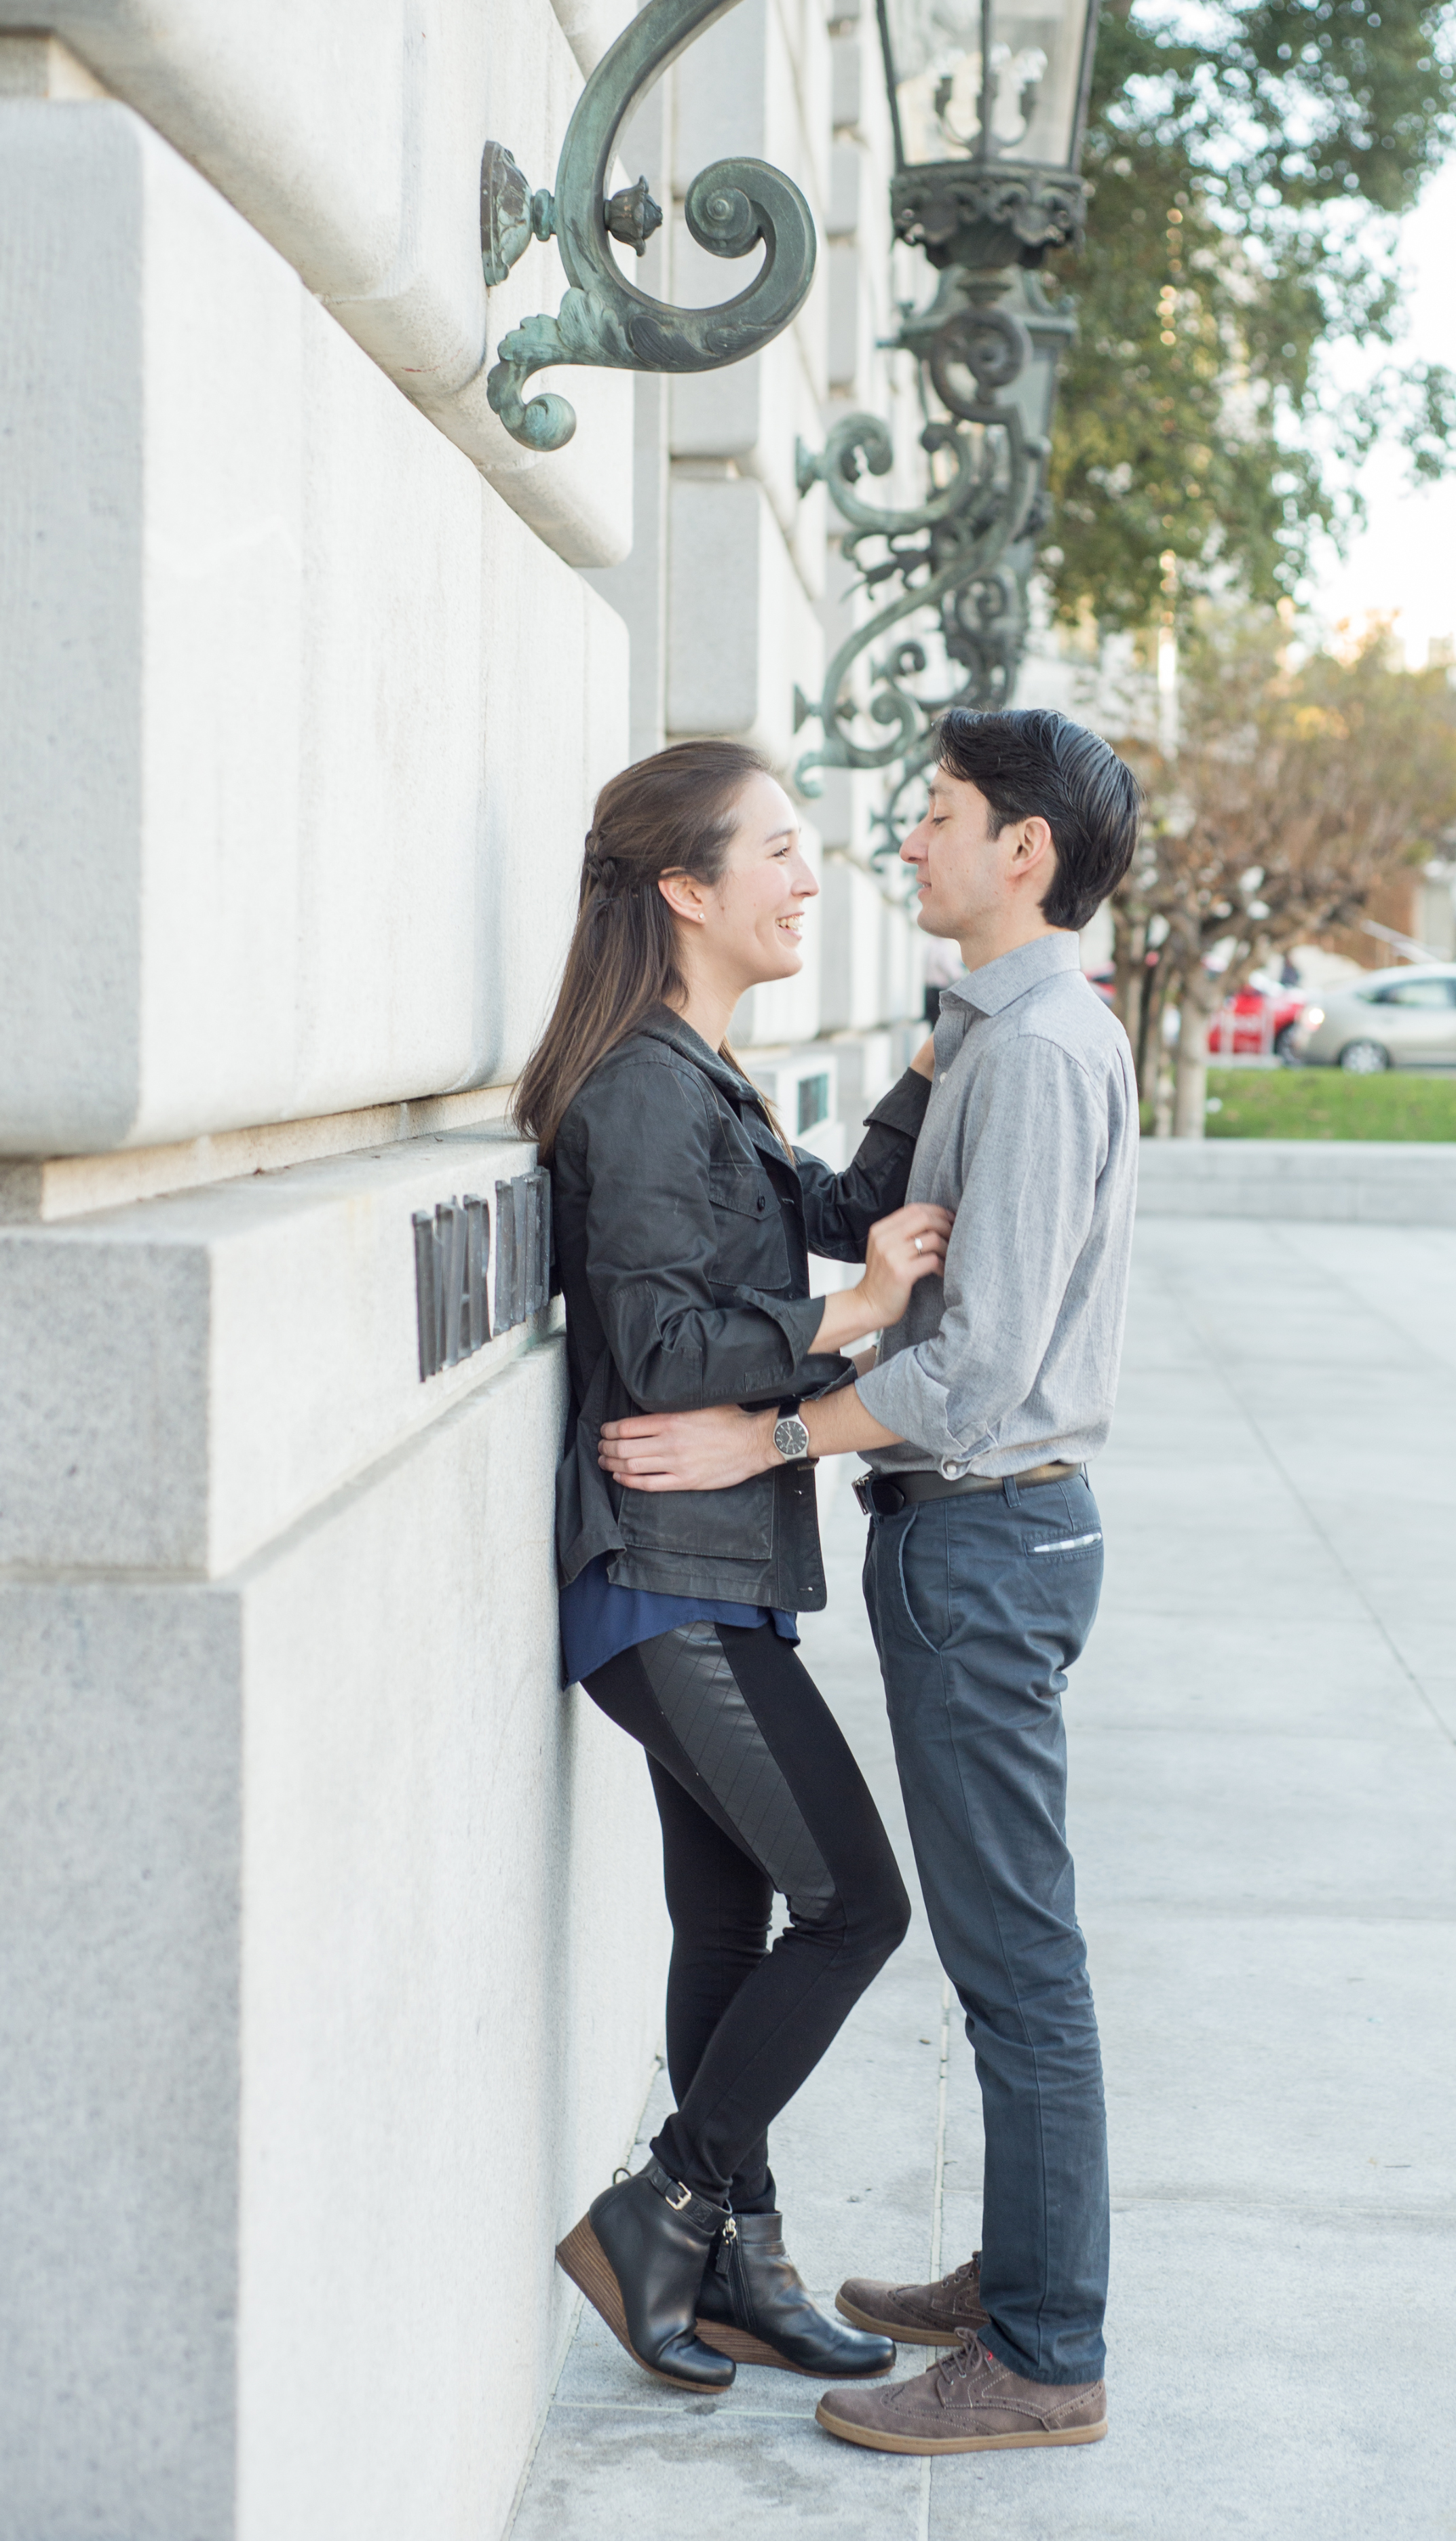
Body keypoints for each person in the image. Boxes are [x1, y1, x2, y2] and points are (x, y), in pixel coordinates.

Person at [600, 706, 1143, 2455]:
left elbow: (972, 1369)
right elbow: (852, 1219)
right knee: (972, 1941)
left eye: (937, 817)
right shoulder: (991, 1036)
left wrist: (768, 1439)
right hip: (962, 1540)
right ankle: (1011, 2274)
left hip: (984, 1533)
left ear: (1025, 853)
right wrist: (927, 1057)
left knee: (1011, 1959)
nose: (898, 846)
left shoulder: (1044, 1054)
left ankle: (1046, 2349)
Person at [515, 739, 954, 2396]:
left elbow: (833, 1205)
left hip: (711, 1567)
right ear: (684, 890)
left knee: (733, 1917)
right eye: (776, 849)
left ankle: (735, 2270)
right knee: (856, 1905)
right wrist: (850, 1316)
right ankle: (669, 2206)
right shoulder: (637, 1087)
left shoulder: (699, 1069)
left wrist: (932, 1066)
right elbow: (654, 1338)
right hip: (662, 1580)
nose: (808, 875)